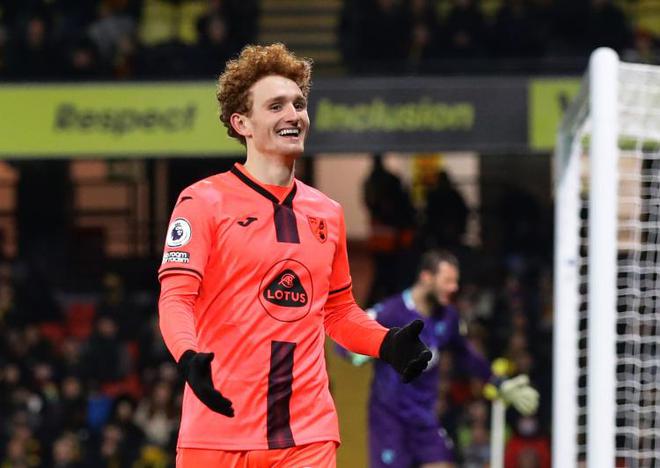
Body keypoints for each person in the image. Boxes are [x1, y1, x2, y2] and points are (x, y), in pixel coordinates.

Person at [157, 43, 432, 467]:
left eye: (299, 104)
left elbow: (337, 311)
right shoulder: (202, 201)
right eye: (276, 106)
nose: (294, 114)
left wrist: (386, 342)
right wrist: (188, 356)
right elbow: (176, 298)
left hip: (307, 435)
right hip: (217, 430)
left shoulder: (328, 213)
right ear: (242, 123)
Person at [340, 249, 539, 468]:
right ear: (426, 277)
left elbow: (465, 354)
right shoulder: (390, 312)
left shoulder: (448, 317)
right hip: (390, 421)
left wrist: (497, 381)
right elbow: (347, 342)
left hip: (425, 419)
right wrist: (360, 352)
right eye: (447, 281)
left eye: (455, 282)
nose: (453, 288)